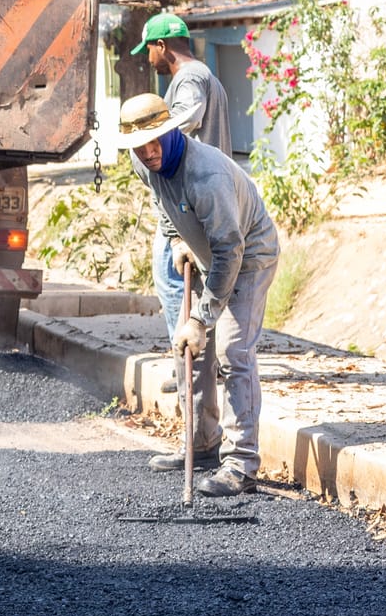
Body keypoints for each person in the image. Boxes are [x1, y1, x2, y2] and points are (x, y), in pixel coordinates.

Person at [115, 93, 277, 497]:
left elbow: (230, 251)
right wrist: (176, 239)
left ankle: (241, 464)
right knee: (186, 348)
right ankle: (202, 443)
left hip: (248, 257)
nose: (149, 152)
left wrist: (202, 318)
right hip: (207, 253)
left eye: (156, 141)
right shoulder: (142, 161)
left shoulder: (208, 176)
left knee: (232, 350)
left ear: (171, 131)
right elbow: (162, 201)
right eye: (140, 146)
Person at [131, 13, 233, 354]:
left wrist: (153, 137)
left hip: (188, 196)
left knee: (172, 279)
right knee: (199, 283)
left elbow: (184, 119)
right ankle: (204, 359)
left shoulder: (188, 79)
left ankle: (185, 358)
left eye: (149, 49)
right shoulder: (205, 75)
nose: (148, 58)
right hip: (205, 196)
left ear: (162, 46)